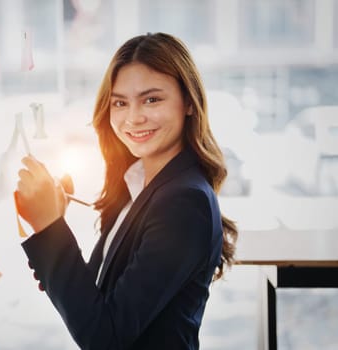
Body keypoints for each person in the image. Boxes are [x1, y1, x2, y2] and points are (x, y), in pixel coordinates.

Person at [15, 32, 238, 350]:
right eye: (120, 103)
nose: (133, 117)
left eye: (152, 99)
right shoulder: (135, 187)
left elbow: (106, 338)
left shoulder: (183, 202)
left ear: (189, 102)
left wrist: (50, 229)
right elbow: (96, 301)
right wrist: (55, 245)